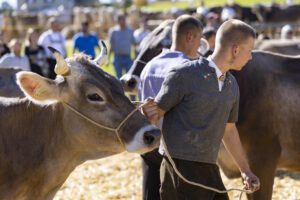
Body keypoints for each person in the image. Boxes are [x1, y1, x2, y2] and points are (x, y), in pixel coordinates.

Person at [142, 19, 260, 199]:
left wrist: (245, 170)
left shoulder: (231, 84)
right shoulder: (183, 74)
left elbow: (229, 130)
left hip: (209, 169)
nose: (251, 56)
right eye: (249, 50)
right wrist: (148, 113)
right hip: (179, 171)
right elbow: (156, 113)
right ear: (235, 50)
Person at [139, 15, 203, 200]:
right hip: (179, 152)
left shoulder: (149, 66)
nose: (200, 45)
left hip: (150, 145)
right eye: (199, 39)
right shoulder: (189, 68)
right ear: (190, 37)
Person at [108, 13, 135, 79]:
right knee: (118, 78)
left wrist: (135, 57)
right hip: (117, 58)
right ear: (117, 21)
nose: (123, 21)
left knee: (128, 78)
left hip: (128, 58)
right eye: (120, 19)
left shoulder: (130, 30)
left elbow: (133, 44)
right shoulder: (113, 31)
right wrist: (108, 58)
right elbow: (111, 46)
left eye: (123, 19)